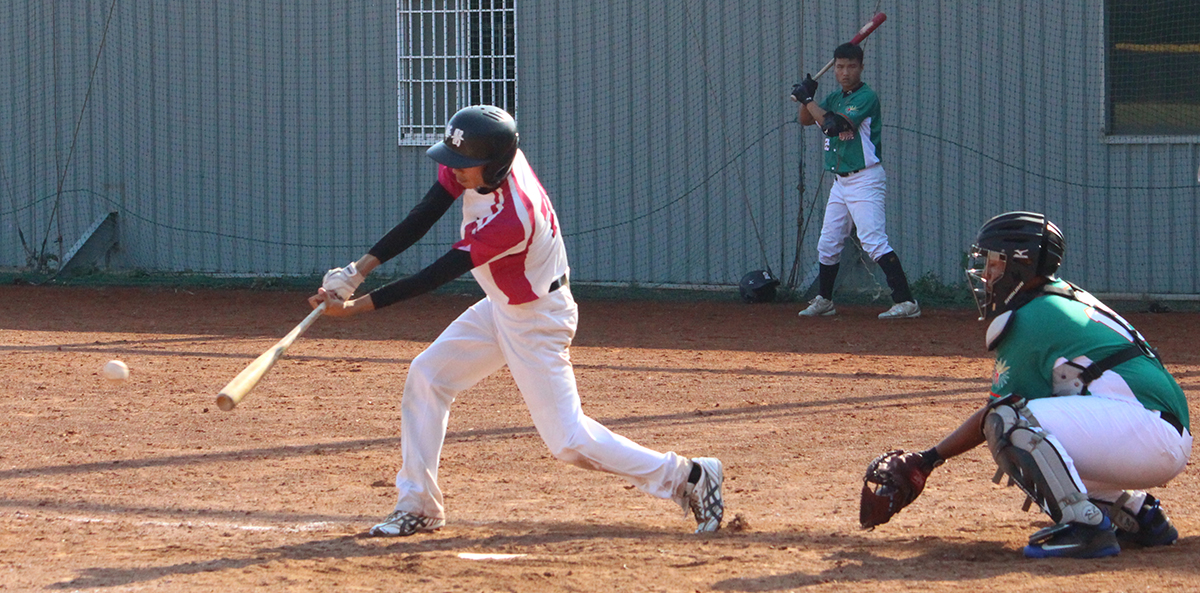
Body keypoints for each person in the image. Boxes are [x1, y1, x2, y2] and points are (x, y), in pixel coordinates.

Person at [309, 105, 724, 537]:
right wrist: (357, 271)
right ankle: (418, 505)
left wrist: (354, 310)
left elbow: (435, 274)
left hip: (537, 318)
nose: (456, 172)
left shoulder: (514, 217)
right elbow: (425, 213)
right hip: (501, 304)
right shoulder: (482, 161)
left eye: (464, 166)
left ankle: (691, 476)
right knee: (427, 376)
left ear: (496, 163)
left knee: (568, 441)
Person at [859, 211, 1191, 558]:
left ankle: (1086, 526)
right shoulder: (1058, 296)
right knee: (1040, 447)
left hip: (1147, 431)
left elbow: (997, 415)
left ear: (1020, 265)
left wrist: (927, 460)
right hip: (1154, 430)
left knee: (1010, 424)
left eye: (994, 262)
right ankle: (1134, 514)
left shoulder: (1030, 316)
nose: (986, 273)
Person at [791, 42, 919, 319]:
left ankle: (906, 302)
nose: (845, 72)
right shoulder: (835, 98)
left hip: (865, 179)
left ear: (861, 67)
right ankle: (825, 300)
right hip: (841, 181)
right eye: (839, 67)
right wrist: (806, 99)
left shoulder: (865, 97)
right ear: (834, 69)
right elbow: (804, 120)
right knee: (828, 243)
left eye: (851, 66)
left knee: (873, 241)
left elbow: (832, 126)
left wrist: (809, 101)